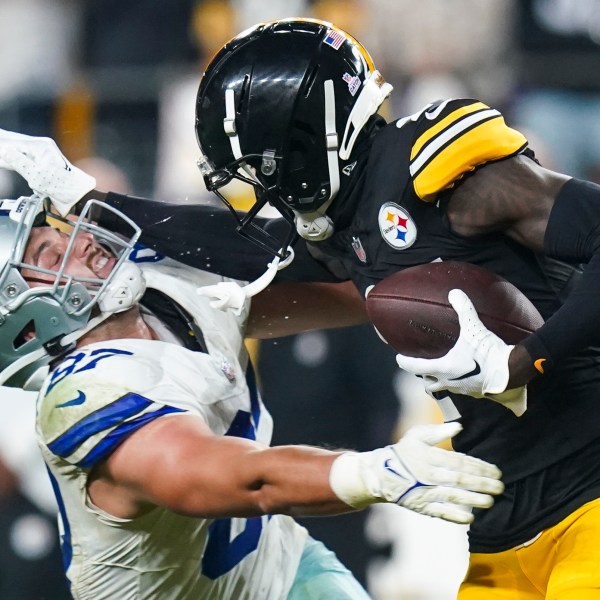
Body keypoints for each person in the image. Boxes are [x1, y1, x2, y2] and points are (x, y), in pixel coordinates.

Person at [2, 17, 600, 596]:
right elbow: (260, 249)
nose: (265, 192)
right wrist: (102, 202)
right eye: (46, 251)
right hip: (507, 530)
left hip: (584, 494)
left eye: (266, 170)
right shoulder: (340, 223)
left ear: (313, 143)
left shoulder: (436, 169)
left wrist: (532, 357)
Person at [0, 192, 502, 599]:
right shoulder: (83, 394)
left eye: (58, 233)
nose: (77, 242)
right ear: (24, 329)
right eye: (44, 256)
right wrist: (370, 472)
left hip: (281, 569)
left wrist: (454, 269)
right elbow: (236, 479)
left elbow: (355, 295)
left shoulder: (166, 287)